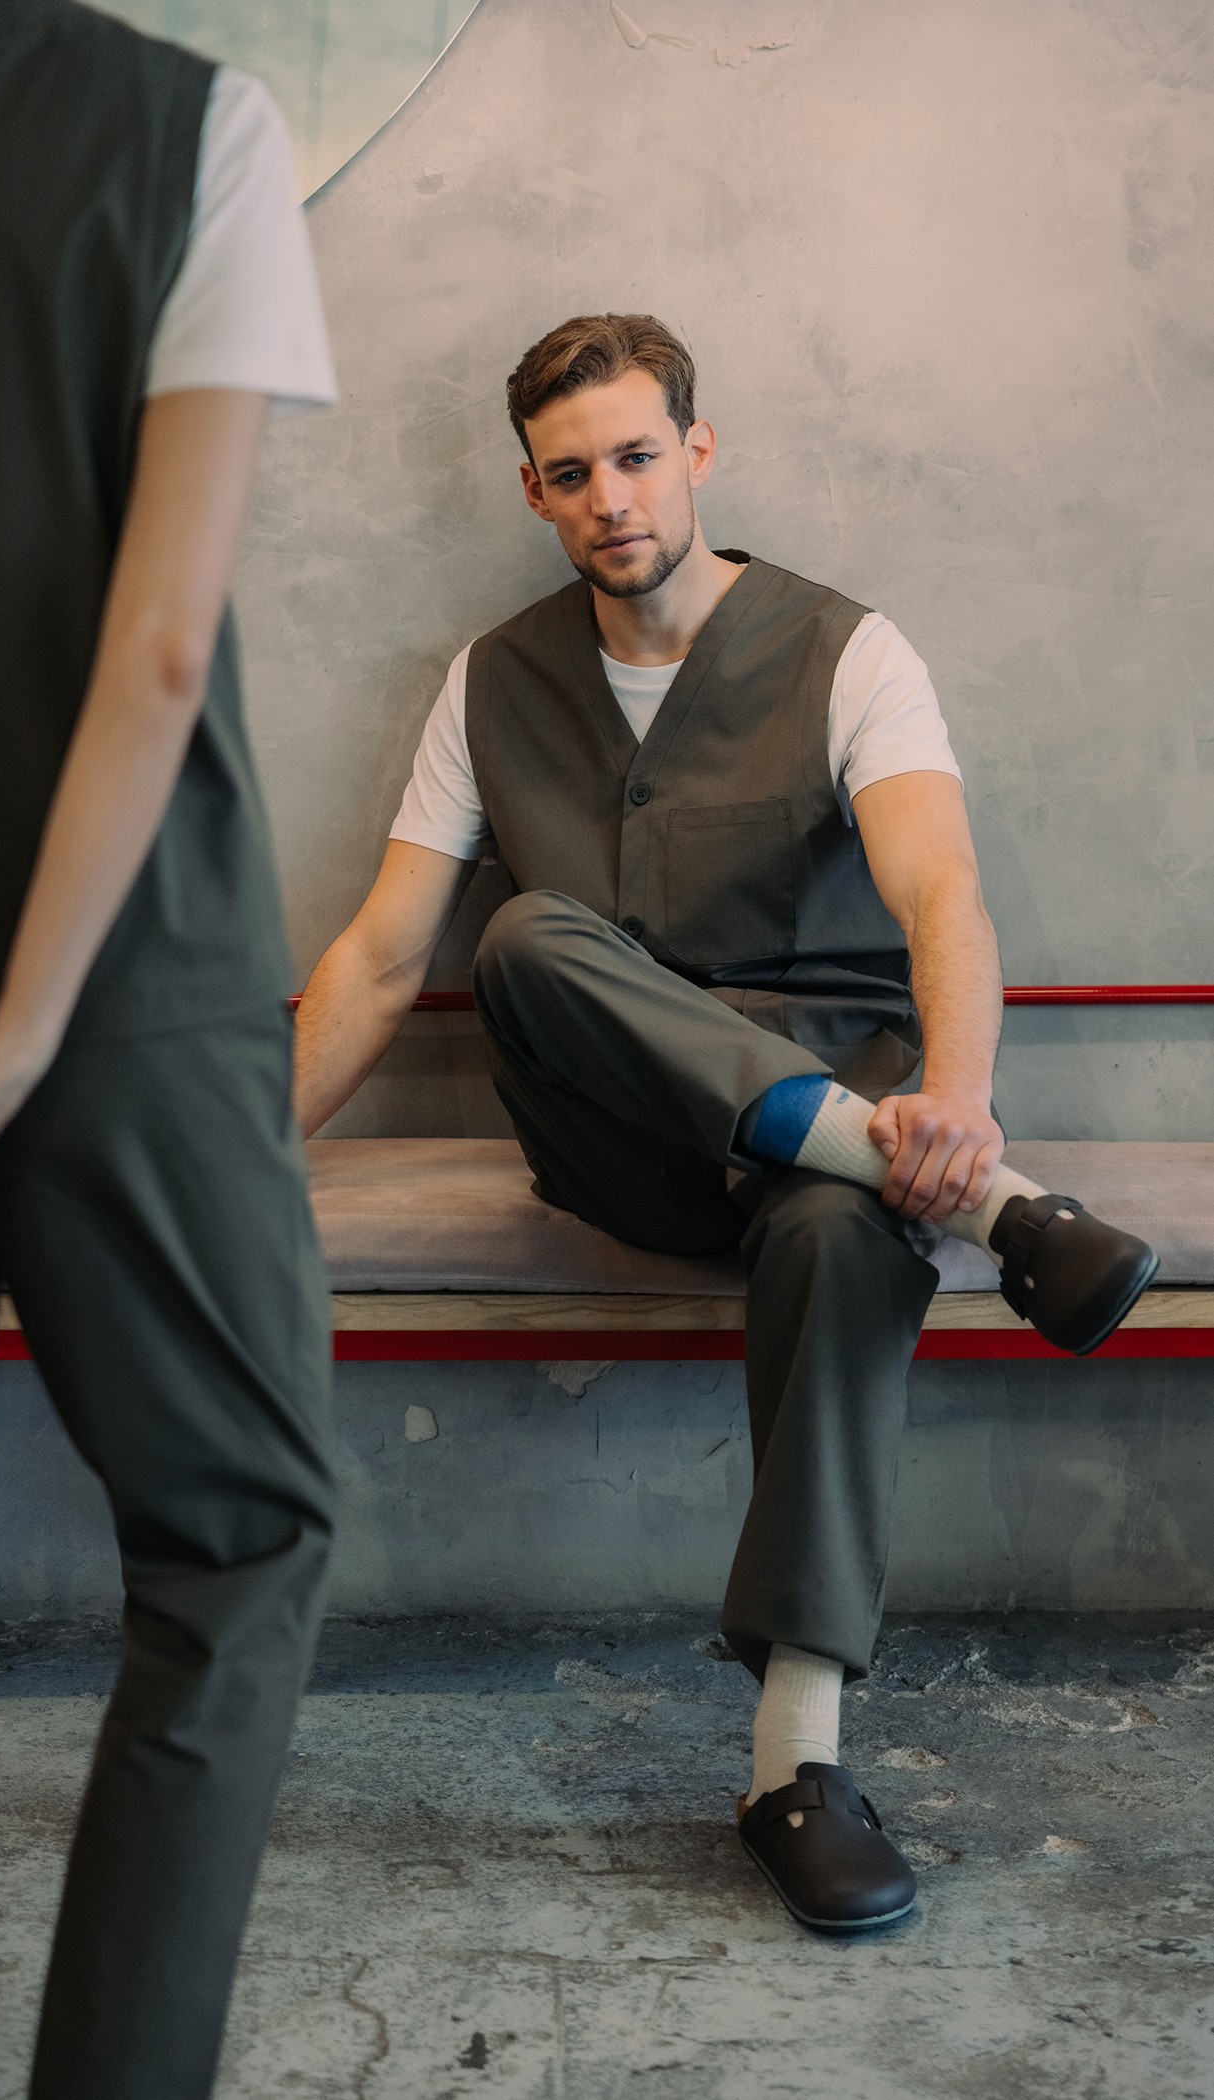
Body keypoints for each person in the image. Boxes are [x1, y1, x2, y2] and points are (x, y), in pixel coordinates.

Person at [292, 312, 1157, 1933]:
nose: (608, 497)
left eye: (634, 455)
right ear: (533, 493)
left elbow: (938, 892)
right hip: (626, 1150)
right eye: (569, 474)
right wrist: (244, 1153)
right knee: (522, 936)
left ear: (697, 450)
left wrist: (957, 1103)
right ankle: (998, 1217)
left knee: (843, 1231)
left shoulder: (848, 651)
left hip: (829, 1137)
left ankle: (793, 1770)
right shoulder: (490, 681)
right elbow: (382, 954)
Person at [0, 3, 337, 2094]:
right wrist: (22, 1035)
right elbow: (160, 644)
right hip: (132, 993)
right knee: (237, 1544)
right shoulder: (194, 130)